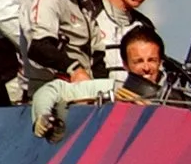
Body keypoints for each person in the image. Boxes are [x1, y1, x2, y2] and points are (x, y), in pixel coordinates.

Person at [30, 26, 168, 141]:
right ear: (125, 65)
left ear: (160, 62)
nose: (146, 67)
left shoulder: (175, 100)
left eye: (151, 60)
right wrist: (43, 116)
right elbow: (52, 89)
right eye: (138, 61)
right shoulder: (110, 88)